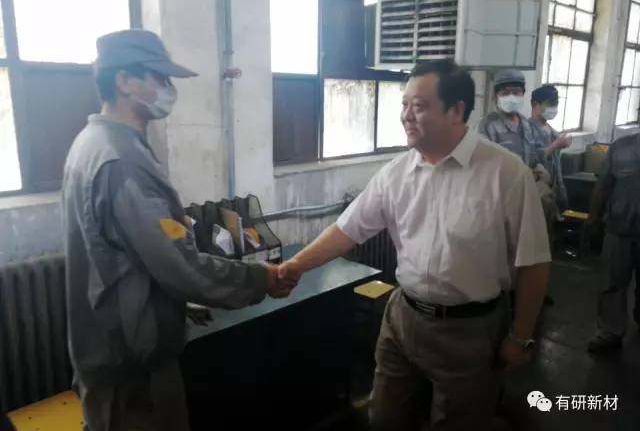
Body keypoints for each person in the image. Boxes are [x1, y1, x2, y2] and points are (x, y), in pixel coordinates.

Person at [277, 60, 551, 431]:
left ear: (456, 111)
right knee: (385, 418)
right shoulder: (396, 173)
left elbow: (534, 261)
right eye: (404, 104)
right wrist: (295, 266)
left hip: (470, 330)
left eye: (419, 106)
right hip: (403, 317)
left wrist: (520, 336)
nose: (406, 115)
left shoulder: (505, 173)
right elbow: (348, 230)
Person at [61, 29, 298, 431]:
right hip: (132, 372)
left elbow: (125, 257)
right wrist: (261, 278)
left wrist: (173, 304)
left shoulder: (92, 143)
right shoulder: (121, 161)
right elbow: (180, 266)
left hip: (110, 355)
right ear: (124, 80)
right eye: (158, 77)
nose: (168, 89)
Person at [587, 132, 640, 353]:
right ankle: (610, 331)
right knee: (612, 283)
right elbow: (603, 185)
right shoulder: (621, 147)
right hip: (619, 229)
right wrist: (593, 217)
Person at [529, 84, 571, 239]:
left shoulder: (551, 130)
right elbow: (530, 159)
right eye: (550, 104)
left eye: (556, 104)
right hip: (537, 193)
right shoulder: (526, 129)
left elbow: (556, 165)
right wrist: (555, 145)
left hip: (554, 190)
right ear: (535, 104)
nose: (554, 108)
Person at [476, 69, 541, 169]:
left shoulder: (527, 125)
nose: (511, 97)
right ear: (496, 96)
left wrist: (538, 168)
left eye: (516, 92)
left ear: (523, 94)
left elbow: (533, 159)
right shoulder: (487, 125)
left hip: (525, 178)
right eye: (505, 93)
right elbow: (481, 164)